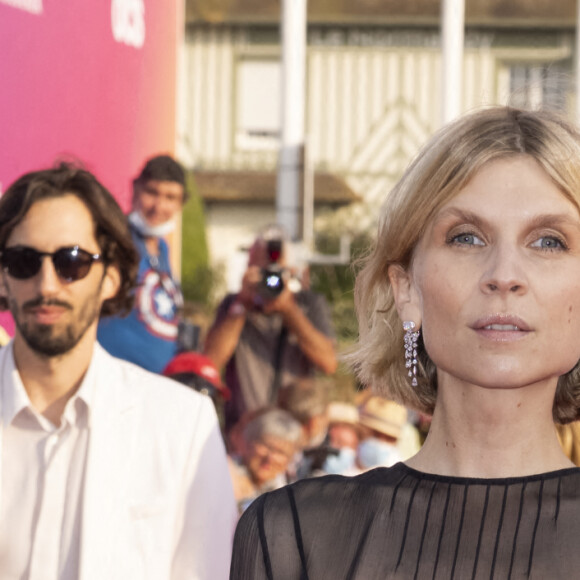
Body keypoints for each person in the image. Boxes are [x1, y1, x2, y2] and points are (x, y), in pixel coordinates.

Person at [230, 106, 580, 579]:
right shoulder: (294, 534)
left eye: (549, 242)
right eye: (467, 238)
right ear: (406, 290)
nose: (504, 276)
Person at [0, 164, 237, 580]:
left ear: (110, 277)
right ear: (3, 277)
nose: (47, 284)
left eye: (71, 262)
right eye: (24, 261)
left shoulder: (181, 428)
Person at [204, 224, 337, 431]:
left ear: (293, 272)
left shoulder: (309, 304)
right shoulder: (234, 305)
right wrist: (242, 305)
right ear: (249, 266)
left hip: (293, 433)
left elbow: (328, 363)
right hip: (244, 433)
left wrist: (290, 310)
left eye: (279, 273)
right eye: (264, 272)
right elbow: (210, 362)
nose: (272, 281)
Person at [98, 154, 187, 374]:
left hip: (157, 385)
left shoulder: (163, 248)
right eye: (152, 192)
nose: (159, 206)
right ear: (135, 188)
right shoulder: (115, 238)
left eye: (170, 197)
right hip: (114, 376)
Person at [228, 407, 303, 514]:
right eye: (266, 446)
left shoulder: (287, 496)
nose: (270, 458)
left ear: (289, 459)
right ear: (249, 442)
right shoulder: (226, 473)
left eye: (280, 452)